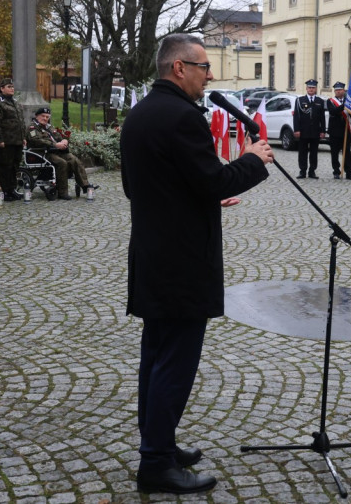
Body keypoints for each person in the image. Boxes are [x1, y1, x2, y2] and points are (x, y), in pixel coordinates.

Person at [120, 34, 273, 495]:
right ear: (178, 68)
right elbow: (210, 179)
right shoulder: (183, 118)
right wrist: (251, 160)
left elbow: (145, 185)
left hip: (154, 253)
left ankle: (159, 444)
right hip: (181, 261)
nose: (210, 75)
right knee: (175, 362)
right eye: (203, 66)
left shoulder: (143, 113)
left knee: (156, 355)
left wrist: (196, 197)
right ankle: (156, 465)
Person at [26, 107, 90, 200]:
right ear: (36, 116)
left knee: (73, 159)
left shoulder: (48, 127)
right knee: (62, 163)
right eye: (43, 116)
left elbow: (58, 136)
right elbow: (36, 141)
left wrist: (64, 140)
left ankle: (85, 185)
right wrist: (55, 145)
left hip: (54, 151)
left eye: (47, 117)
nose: (45, 119)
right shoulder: (32, 127)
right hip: (40, 153)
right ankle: (62, 192)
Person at [0, 78, 27, 202]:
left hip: (17, 141)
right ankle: (4, 191)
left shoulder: (15, 102)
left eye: (12, 86)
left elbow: (21, 122)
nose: (12, 89)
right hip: (5, 142)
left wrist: (23, 138)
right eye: (9, 86)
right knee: (5, 167)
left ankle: (12, 190)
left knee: (14, 167)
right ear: (2, 88)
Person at [292, 78, 326, 178]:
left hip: (315, 131)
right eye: (309, 88)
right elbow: (296, 116)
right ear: (306, 89)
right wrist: (296, 129)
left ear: (316, 89)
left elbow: (322, 118)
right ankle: (302, 171)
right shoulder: (300, 100)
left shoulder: (319, 101)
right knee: (302, 152)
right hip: (303, 131)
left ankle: (312, 171)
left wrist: (323, 131)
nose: (311, 89)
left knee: (314, 152)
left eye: (313, 88)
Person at [326, 81, 351, 179]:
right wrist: (344, 105)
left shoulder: (349, 101)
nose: (338, 91)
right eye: (336, 90)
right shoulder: (330, 101)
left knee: (347, 152)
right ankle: (336, 171)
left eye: (340, 90)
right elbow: (333, 111)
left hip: (346, 130)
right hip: (334, 131)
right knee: (334, 152)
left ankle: (349, 172)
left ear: (344, 90)